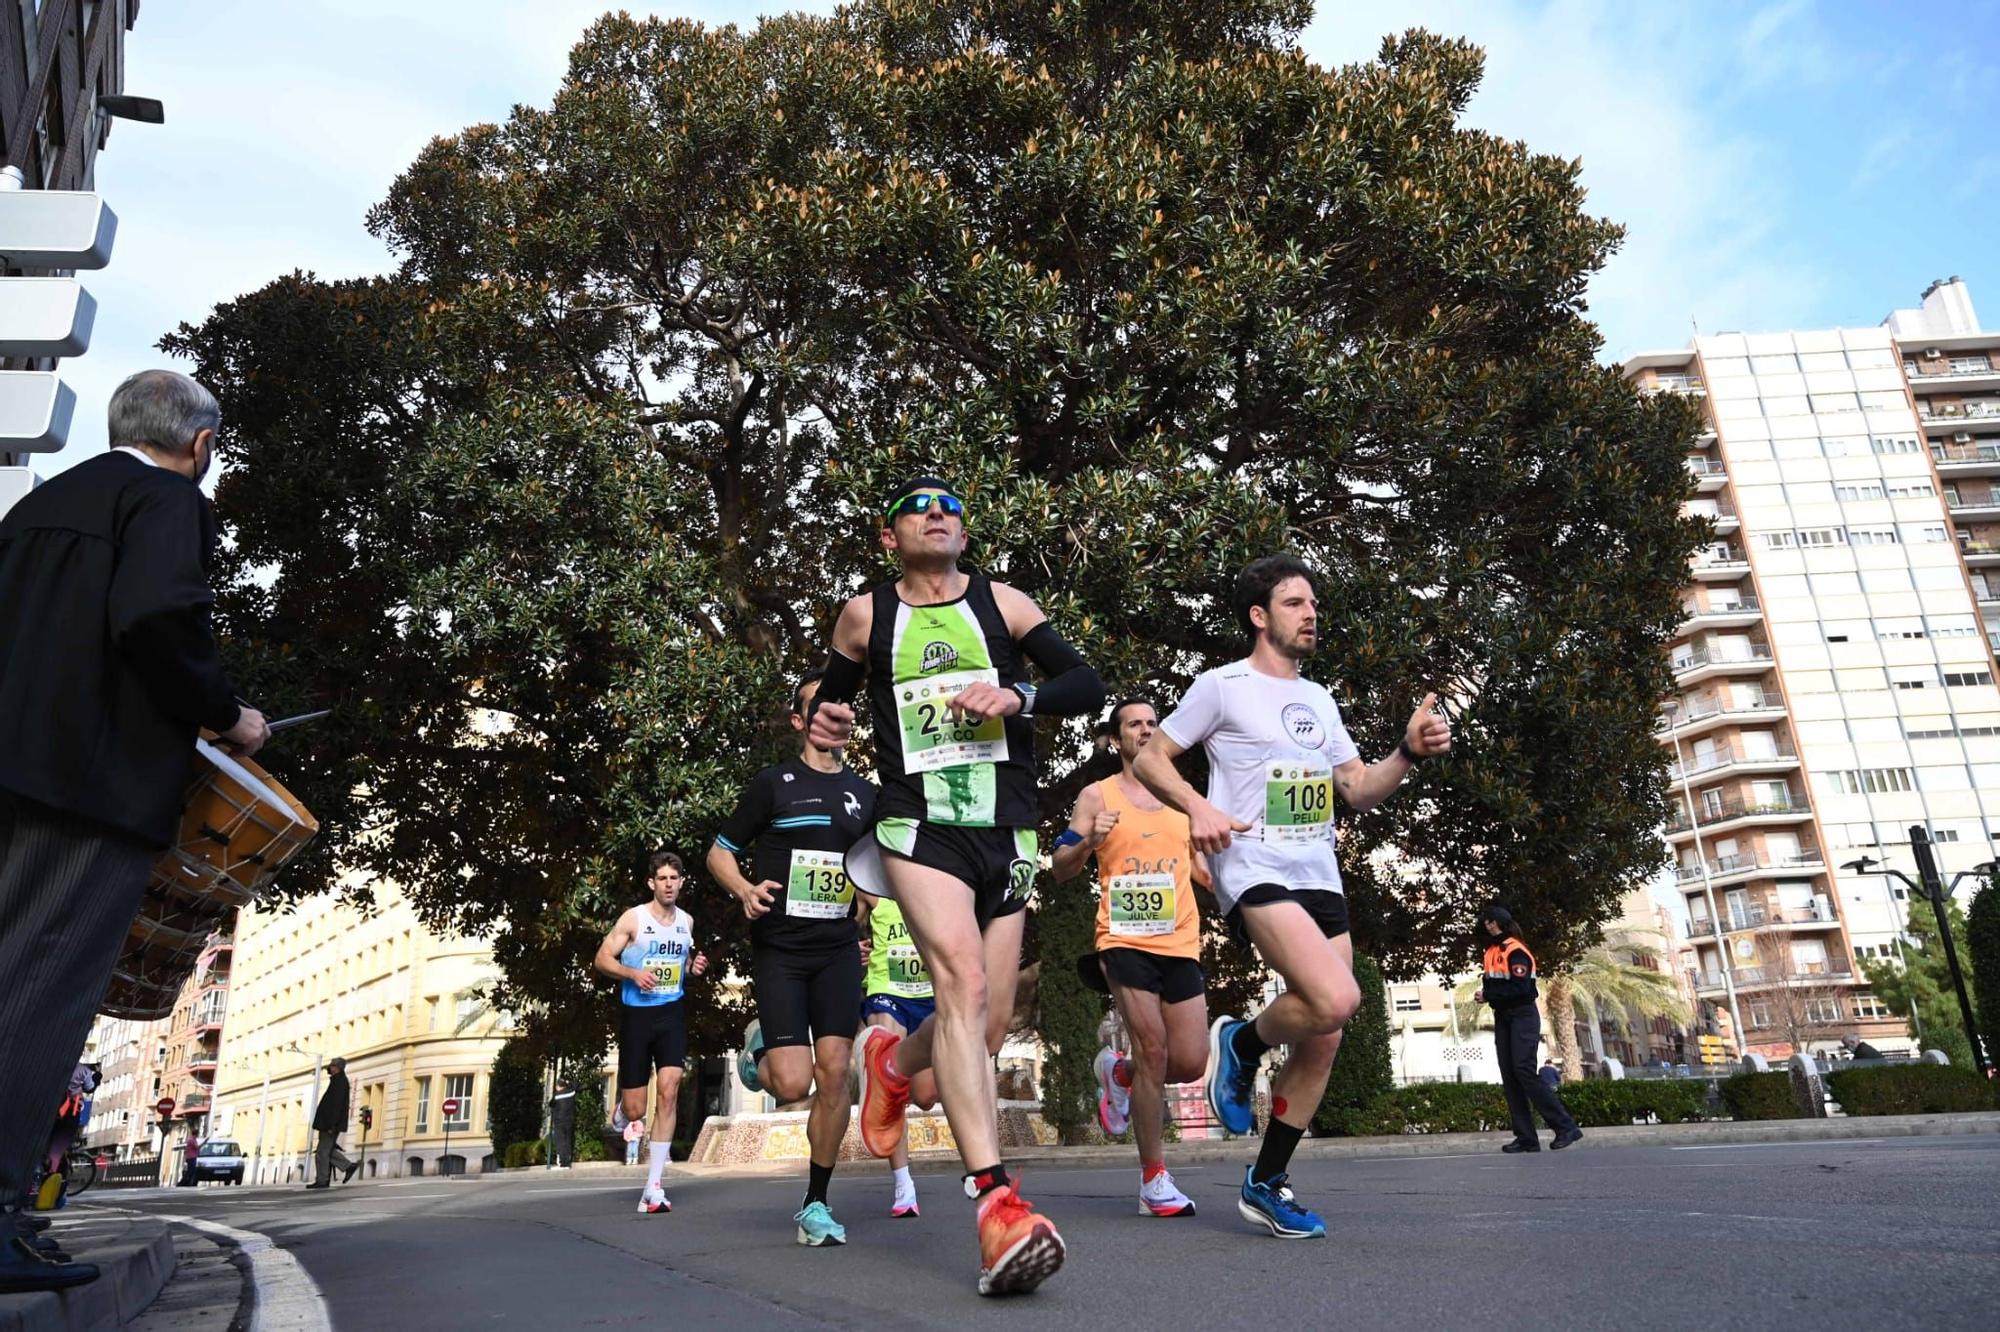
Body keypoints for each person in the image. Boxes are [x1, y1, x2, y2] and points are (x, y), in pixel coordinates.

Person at [0, 370, 270, 1292]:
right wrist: (227, 712)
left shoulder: (44, 503)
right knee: (40, 986)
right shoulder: (167, 499)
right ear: (198, 447)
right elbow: (159, 618)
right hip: (87, 787)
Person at [811, 475, 1104, 1295]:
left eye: (951, 507)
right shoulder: (866, 615)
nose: (938, 514)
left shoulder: (1005, 604)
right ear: (888, 535)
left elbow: (1087, 686)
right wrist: (825, 717)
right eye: (918, 506)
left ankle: (895, 1070)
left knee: (982, 1023)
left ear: (963, 535)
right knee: (964, 984)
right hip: (916, 822)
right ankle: (996, 1204)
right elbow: (826, 699)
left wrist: (1019, 695)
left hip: (1005, 826)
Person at [1133, 554, 1451, 1239]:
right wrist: (1197, 808)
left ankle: (1266, 1180)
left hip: (1318, 873)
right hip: (1253, 865)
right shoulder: (1222, 687)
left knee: (1327, 1033)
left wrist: (1408, 753)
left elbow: (1357, 787)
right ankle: (1243, 1041)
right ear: (1260, 615)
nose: (1311, 615)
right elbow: (1151, 757)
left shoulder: (1319, 698)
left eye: (1313, 605)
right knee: (1338, 998)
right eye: (1295, 603)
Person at [707, 671, 876, 1248]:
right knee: (792, 1081)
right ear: (800, 722)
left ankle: (815, 1201)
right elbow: (720, 853)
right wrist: (745, 890)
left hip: (835, 951)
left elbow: (873, 868)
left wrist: (869, 902)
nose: (834, 719)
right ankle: (762, 1048)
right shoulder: (772, 784)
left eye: (842, 711)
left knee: (835, 1078)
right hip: (780, 951)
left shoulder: (865, 794)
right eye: (820, 711)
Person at [1051, 698, 1207, 1218]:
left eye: (1152, 723)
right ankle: (1153, 1179)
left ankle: (1119, 1075)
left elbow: (1203, 868)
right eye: (1133, 724)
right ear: (1115, 740)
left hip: (1181, 941)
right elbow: (1060, 866)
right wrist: (1087, 841)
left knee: (1189, 1062)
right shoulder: (1097, 795)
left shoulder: (1185, 798)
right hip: (1123, 940)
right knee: (1155, 1050)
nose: (1144, 730)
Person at [595, 851, 708, 1214]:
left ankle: (654, 1185)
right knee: (636, 1109)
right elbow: (602, 959)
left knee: (670, 1089)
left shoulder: (687, 922)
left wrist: (693, 967)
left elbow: (682, 964)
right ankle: (623, 1109)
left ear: (682, 882)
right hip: (637, 1016)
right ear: (652, 883)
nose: (669, 884)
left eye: (674, 878)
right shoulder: (634, 919)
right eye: (662, 878)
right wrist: (632, 974)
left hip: (671, 1012)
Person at [857, 889, 941, 1218]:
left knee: (925, 1095)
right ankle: (904, 1184)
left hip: (929, 996)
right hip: (887, 992)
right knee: (892, 1084)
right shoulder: (870, 887)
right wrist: (851, 948)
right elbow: (841, 925)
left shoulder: (935, 882)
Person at [1475, 905, 1582, 1153]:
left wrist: (1488, 993)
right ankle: (1526, 1137)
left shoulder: (1516, 951)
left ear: (1499, 923)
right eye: (1486, 922)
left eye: (1490, 922)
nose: (1487, 926)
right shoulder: (1492, 951)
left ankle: (1566, 1127)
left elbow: (1523, 988)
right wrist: (1488, 996)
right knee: (1510, 1075)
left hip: (1522, 1015)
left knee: (1523, 1071)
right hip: (1503, 1016)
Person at [308, 1057, 360, 1188]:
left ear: (337, 1067)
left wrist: (332, 1125)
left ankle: (322, 1179)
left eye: (332, 1066)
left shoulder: (340, 1082)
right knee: (327, 1150)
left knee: (322, 1152)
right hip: (328, 1123)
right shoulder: (338, 1081)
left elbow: (337, 1106)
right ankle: (348, 1167)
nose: (329, 1068)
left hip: (329, 1124)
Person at [547, 1080, 577, 1170]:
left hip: (559, 1121)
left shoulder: (556, 1095)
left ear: (558, 1086)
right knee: (568, 1141)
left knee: (561, 1142)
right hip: (569, 1121)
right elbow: (576, 1085)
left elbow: (551, 1104)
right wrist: (568, 1082)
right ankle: (567, 1162)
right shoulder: (571, 1092)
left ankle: (563, 1163)